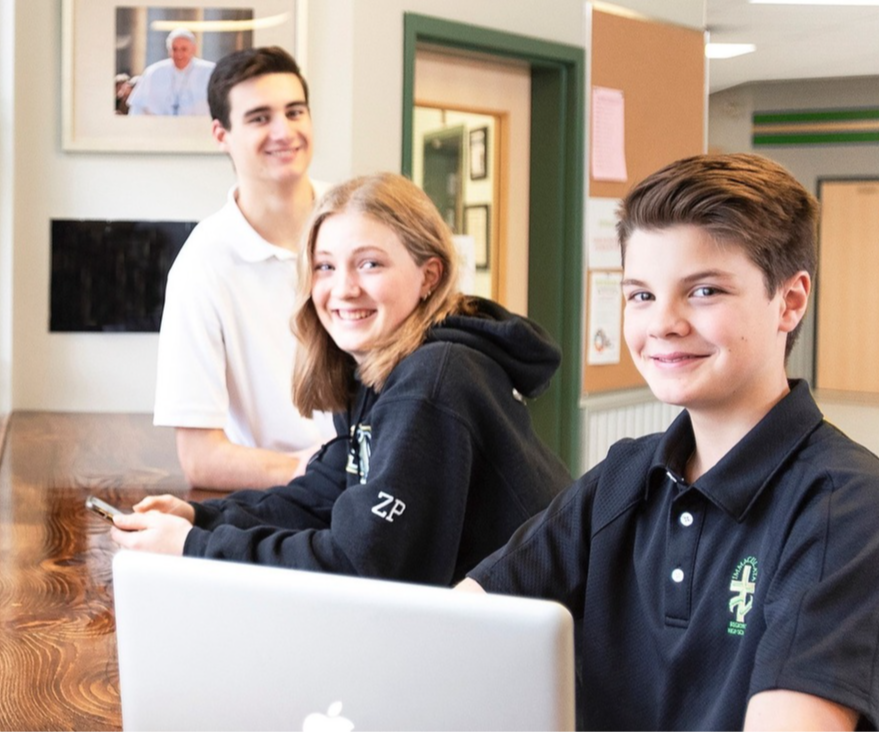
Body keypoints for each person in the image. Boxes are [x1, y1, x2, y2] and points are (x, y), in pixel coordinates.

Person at [459, 154, 879, 731]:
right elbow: (461, 622)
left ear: (790, 301)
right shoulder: (625, 476)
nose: (663, 323)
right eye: (640, 295)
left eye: (704, 291)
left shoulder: (846, 502)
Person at [114, 173, 572, 586]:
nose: (343, 289)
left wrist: (193, 549)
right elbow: (323, 495)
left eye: (370, 264)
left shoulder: (432, 383)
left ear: (428, 275)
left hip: (536, 652)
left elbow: (361, 565)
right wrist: (201, 518)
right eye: (325, 266)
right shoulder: (379, 372)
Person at [154, 46, 335, 491]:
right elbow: (199, 459)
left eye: (295, 112)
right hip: (283, 502)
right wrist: (322, 472)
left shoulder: (361, 220)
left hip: (392, 493)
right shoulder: (200, 267)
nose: (284, 131)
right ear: (221, 134)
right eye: (259, 118)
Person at [127, 28, 214, 116]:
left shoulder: (209, 72)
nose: (179, 54)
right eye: (174, 49)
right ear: (169, 50)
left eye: (184, 49)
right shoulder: (154, 72)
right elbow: (137, 108)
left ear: (193, 49)